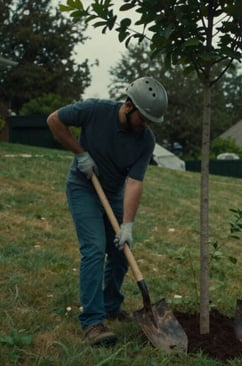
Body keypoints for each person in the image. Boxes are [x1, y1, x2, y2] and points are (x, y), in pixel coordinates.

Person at [47, 76, 168, 346]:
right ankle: (92, 322)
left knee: (121, 251)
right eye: (144, 117)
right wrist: (80, 153)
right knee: (94, 247)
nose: (146, 124)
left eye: (151, 120)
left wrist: (128, 225)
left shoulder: (145, 140)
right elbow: (54, 119)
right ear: (128, 106)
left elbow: (135, 182)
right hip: (83, 186)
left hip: (113, 193)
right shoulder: (94, 110)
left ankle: (112, 305)